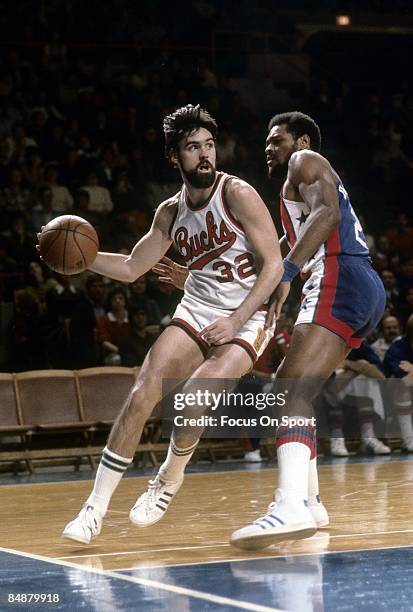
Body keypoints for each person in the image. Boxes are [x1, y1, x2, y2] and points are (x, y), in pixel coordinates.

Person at [44, 104, 282, 544]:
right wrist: (84, 260)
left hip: (248, 313)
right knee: (142, 392)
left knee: (192, 401)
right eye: (193, 148)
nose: (205, 155)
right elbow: (135, 266)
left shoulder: (238, 194)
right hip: (199, 304)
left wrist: (236, 319)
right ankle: (93, 510)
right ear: (175, 157)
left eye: (209, 145)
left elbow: (273, 268)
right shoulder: (170, 213)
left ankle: (169, 477)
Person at [153, 112, 386, 549]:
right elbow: (273, 257)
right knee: (297, 391)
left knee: (287, 393)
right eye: (266, 140)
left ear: (299, 140)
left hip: (339, 273)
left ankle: (289, 505)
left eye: (275, 140)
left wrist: (289, 273)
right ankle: (311, 502)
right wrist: (202, 279)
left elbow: (328, 215)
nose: (268, 147)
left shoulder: (306, 160)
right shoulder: (290, 190)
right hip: (354, 281)